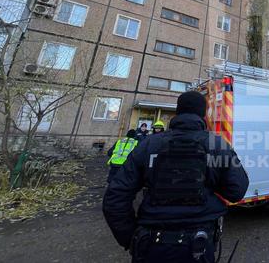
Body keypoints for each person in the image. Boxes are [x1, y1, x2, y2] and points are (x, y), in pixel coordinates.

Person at [103, 91, 249, 262]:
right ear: (203, 114)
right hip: (198, 248)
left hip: (149, 246)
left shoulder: (148, 144)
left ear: (177, 113)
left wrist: (131, 238)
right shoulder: (216, 145)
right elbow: (237, 190)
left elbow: (115, 196)